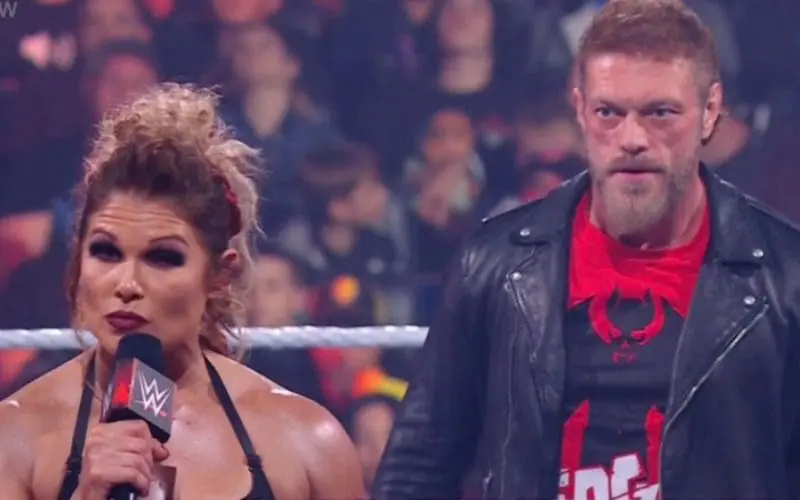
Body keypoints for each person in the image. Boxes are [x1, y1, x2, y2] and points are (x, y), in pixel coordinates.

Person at [372, 1, 800, 499]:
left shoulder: (785, 276)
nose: (632, 139)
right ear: (579, 110)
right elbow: (420, 463)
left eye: (660, 113)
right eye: (609, 113)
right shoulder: (496, 264)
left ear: (709, 111)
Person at [0, 84, 365, 500]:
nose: (127, 284)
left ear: (220, 273)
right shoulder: (14, 438)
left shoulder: (306, 440)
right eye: (105, 252)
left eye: (163, 258)